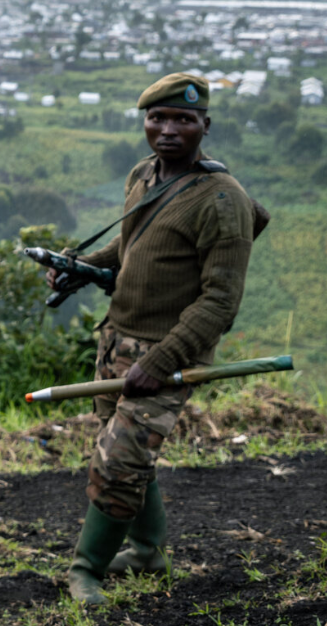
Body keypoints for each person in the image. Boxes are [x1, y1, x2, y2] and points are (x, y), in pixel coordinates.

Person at [58, 73, 255, 606]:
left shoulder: (222, 200)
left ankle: (85, 570)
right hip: (116, 342)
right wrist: (82, 267)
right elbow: (130, 247)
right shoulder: (144, 175)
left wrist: (164, 359)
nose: (168, 130)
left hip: (167, 355)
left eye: (183, 120)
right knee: (127, 455)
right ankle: (148, 552)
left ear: (204, 127)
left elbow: (220, 302)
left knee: (118, 462)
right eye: (157, 118)